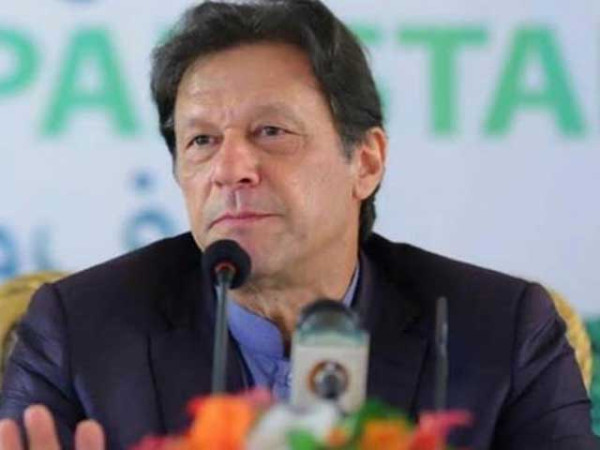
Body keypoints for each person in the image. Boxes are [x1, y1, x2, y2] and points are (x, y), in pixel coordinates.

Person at [0, 0, 597, 449]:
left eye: (271, 132)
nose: (230, 169)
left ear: (366, 162)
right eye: (202, 140)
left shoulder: (499, 331)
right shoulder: (79, 332)